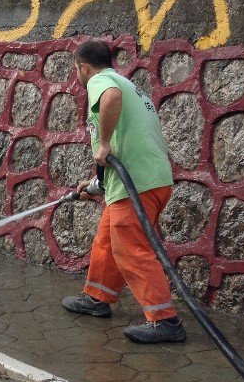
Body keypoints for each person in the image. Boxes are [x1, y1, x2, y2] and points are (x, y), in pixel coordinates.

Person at [60, 40, 186, 343]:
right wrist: (97, 184)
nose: (76, 75)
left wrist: (102, 143)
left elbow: (111, 101)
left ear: (83, 67)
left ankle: (165, 320)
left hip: (138, 183)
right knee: (108, 239)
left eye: (76, 69)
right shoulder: (129, 85)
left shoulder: (102, 81)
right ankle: (97, 298)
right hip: (148, 180)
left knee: (131, 247)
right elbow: (126, 142)